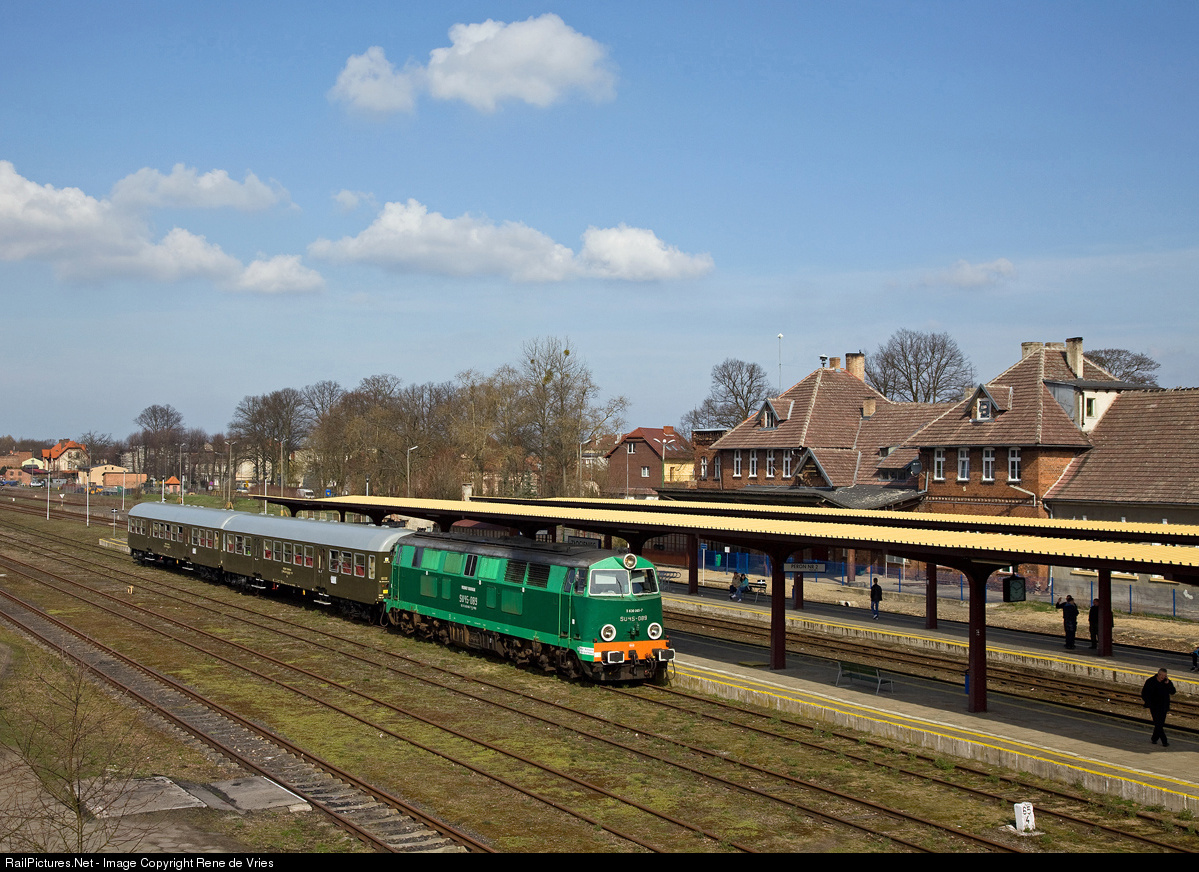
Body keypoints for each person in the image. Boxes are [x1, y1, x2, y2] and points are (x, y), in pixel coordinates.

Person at [1141, 668, 1177, 746]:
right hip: (1154, 706)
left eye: (1165, 676)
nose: (1163, 677)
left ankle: (1154, 738)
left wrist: (1168, 684)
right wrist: (1148, 702)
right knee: (1158, 723)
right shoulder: (1150, 681)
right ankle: (1164, 741)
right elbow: (1144, 693)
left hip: (1164, 706)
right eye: (1162, 675)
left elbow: (1173, 691)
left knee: (1160, 723)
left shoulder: (1167, 682)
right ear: (1158, 674)